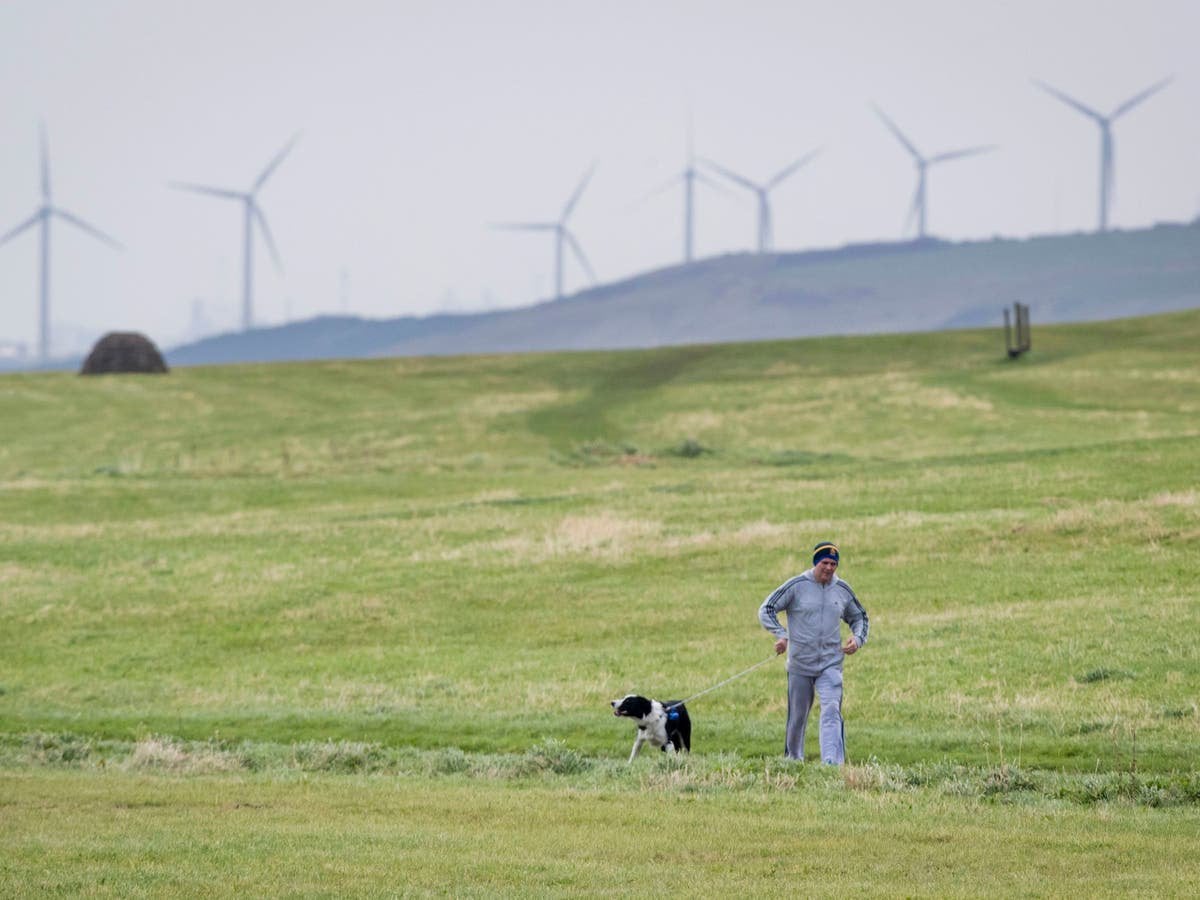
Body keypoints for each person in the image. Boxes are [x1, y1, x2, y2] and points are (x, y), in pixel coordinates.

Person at [757, 541, 869, 763]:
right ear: (816, 563)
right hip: (800, 665)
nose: (829, 568)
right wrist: (782, 634)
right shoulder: (797, 586)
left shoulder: (842, 589)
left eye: (834, 564)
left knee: (831, 709)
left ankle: (832, 764)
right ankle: (793, 760)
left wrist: (857, 639)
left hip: (831, 664)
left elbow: (859, 617)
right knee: (797, 717)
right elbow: (766, 609)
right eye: (825, 563)